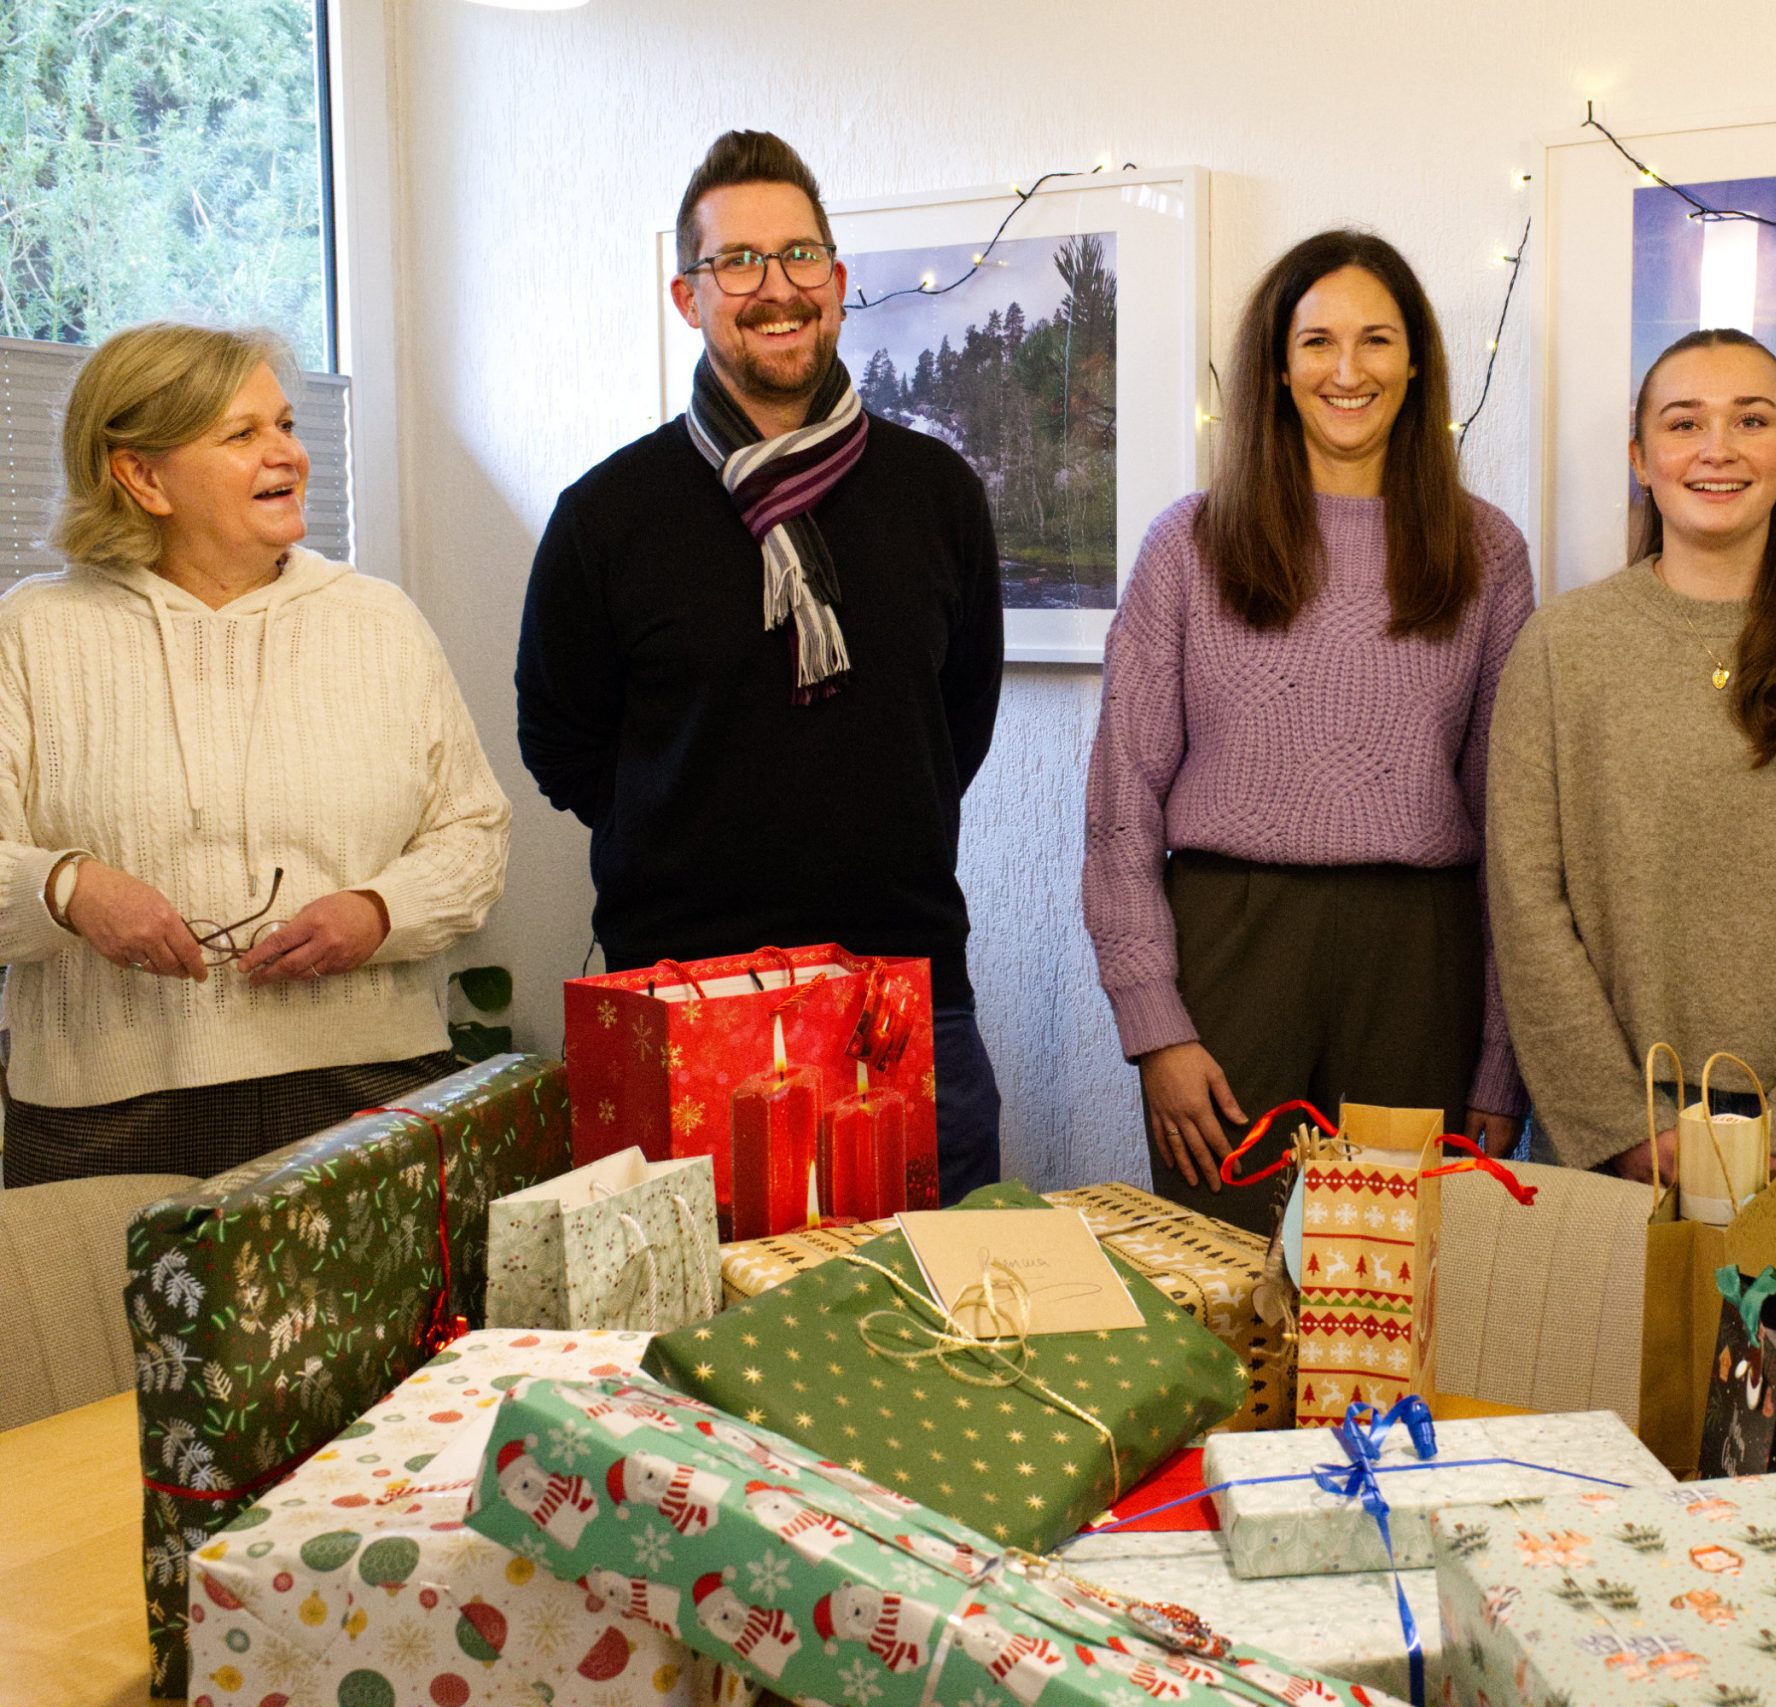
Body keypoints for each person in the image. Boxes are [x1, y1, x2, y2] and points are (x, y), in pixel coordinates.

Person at [516, 131, 1005, 1200]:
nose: (773, 288)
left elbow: (954, 722)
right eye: (737, 262)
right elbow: (560, 744)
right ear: (688, 297)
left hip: (904, 990)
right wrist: (690, 823)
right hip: (679, 1000)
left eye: (798, 258)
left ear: (836, 284)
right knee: (681, 1353)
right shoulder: (607, 519)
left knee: (936, 1341)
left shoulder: (938, 496)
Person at [1082, 229, 1534, 1233]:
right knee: (1229, 1292)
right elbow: (1120, 812)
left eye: (1376, 341)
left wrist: (1501, 1063)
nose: (1346, 370)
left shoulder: (1484, 552)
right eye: (1316, 341)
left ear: (1415, 365)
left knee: (1397, 1311)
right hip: (1233, 951)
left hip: (1419, 965)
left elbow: (1514, 835)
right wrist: (1154, 1030)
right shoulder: (1191, 545)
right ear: (1277, 368)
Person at [0, 322, 509, 1187]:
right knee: (93, 1331)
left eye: (287, 426)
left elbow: (475, 836)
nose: (288, 455)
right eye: (242, 435)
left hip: (369, 1097)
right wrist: (71, 888)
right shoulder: (33, 632)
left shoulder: (379, 620)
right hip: (103, 1121)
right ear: (142, 475)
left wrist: (378, 913)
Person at [1487, 328, 1776, 1315]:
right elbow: (1525, 895)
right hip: (1612, 1141)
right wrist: (1615, 1120)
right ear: (1642, 459)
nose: (1717, 449)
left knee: (1768, 1438)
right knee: (1602, 1425)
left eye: (1751, 420)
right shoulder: (1562, 647)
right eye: (1683, 424)